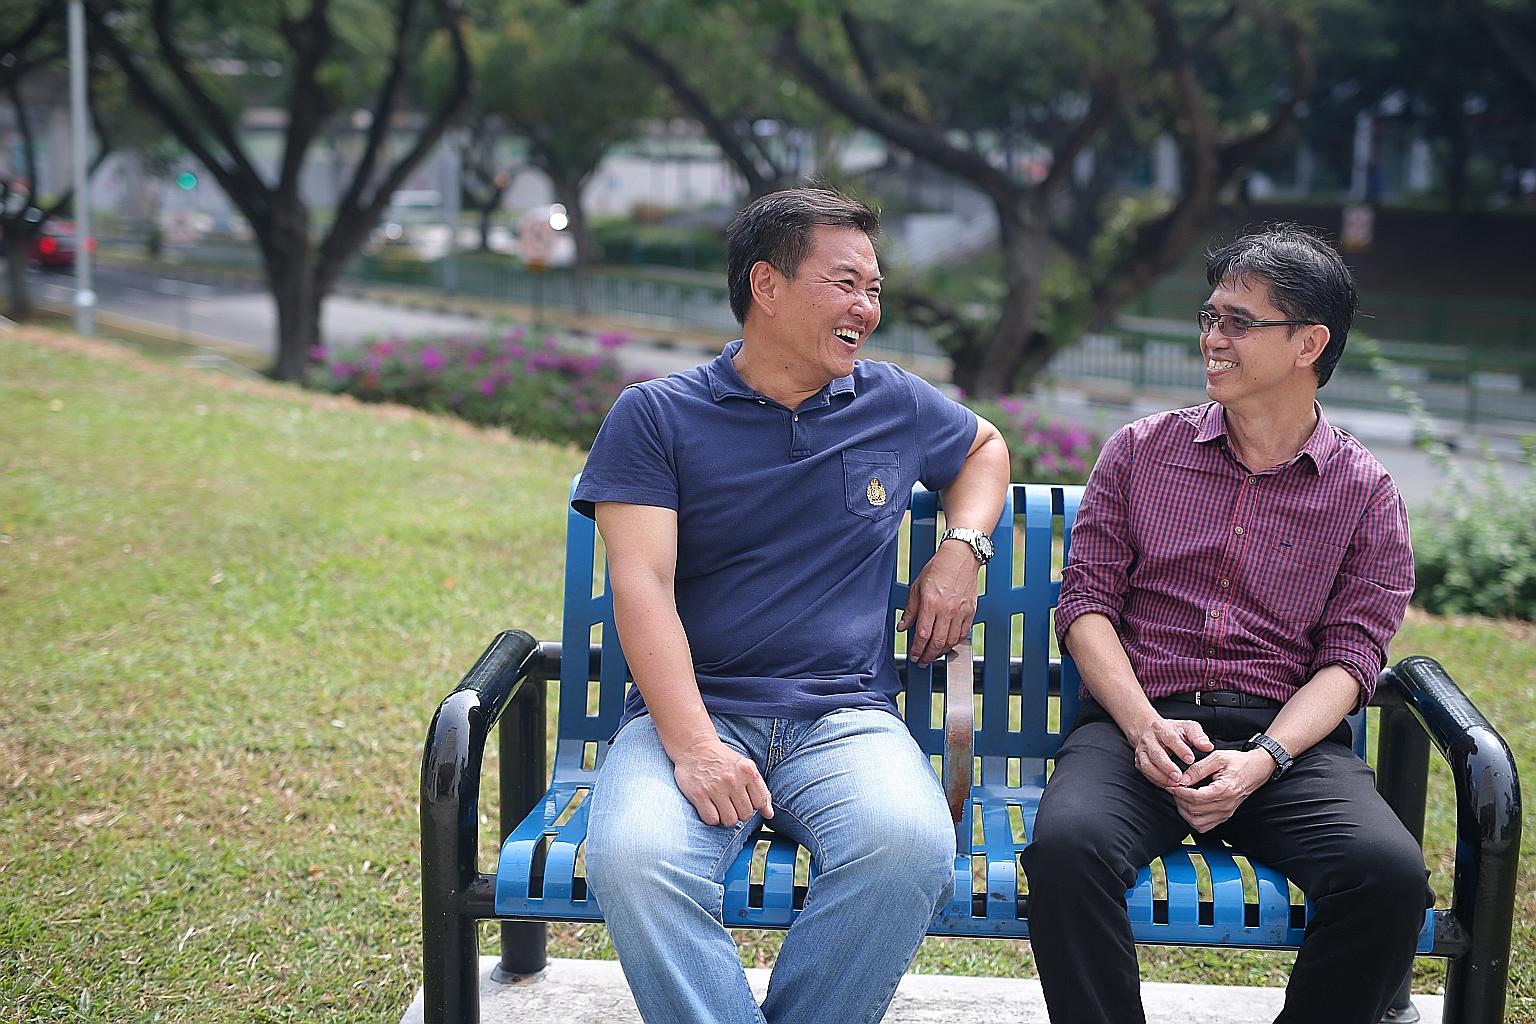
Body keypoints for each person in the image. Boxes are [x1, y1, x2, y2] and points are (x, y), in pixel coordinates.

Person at [573, 187, 1010, 1024]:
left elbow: (985, 446)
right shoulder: (657, 417)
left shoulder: (893, 401)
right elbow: (642, 589)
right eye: (845, 283)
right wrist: (696, 747)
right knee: (634, 859)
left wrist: (964, 549)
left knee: (910, 848)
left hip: (844, 715)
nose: (867, 308)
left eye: (875, 289)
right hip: (698, 712)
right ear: (766, 285)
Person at [1022, 224, 1426, 1024]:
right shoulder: (1140, 453)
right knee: (1066, 852)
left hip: (1284, 742)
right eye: (1210, 317)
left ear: (1309, 342)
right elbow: (1086, 606)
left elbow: (1352, 658)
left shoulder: (1365, 492)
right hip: (1139, 727)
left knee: (1387, 874)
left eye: (1240, 322)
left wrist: (1265, 760)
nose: (1213, 338)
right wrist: (1142, 727)